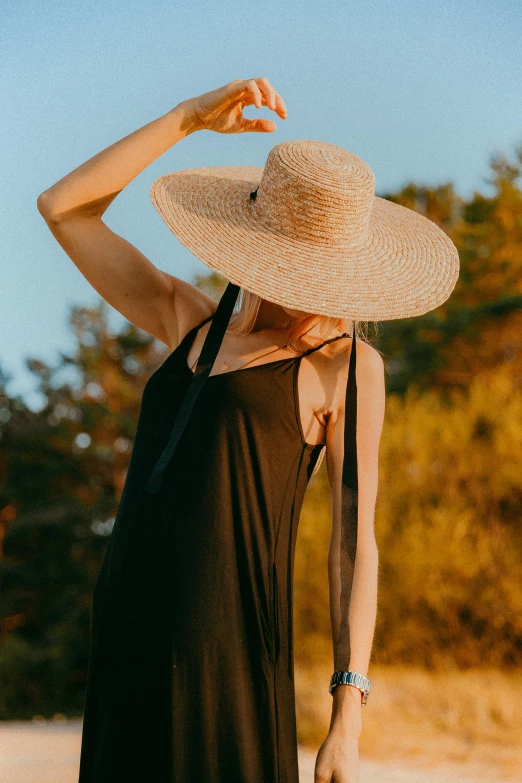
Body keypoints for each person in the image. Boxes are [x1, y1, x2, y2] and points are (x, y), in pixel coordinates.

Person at [37, 77, 459, 783]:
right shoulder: (189, 320)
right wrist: (185, 118)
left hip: (228, 655)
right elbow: (63, 210)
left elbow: (355, 542)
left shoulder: (346, 367)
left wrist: (346, 717)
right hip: (128, 641)